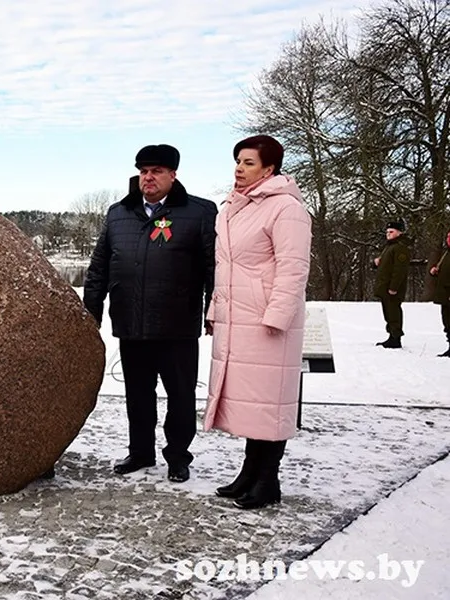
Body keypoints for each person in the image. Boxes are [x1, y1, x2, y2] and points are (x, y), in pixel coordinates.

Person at [83, 144, 216, 483]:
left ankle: (177, 457)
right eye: (143, 171)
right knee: (138, 396)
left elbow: (214, 268)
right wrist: (91, 313)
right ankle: (141, 452)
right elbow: (99, 266)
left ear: (173, 174)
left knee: (181, 397)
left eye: (156, 171)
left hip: (177, 326)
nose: (148, 177)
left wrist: (214, 310)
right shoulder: (118, 214)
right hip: (131, 322)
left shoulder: (199, 213)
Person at [205, 135, 312, 510]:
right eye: (237, 161)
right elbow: (226, 268)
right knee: (253, 405)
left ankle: (268, 480)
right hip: (239, 320)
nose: (239, 168)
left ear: (270, 169)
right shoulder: (232, 208)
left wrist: (278, 315)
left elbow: (293, 268)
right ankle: (249, 473)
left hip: (268, 322)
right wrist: (216, 310)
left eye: (249, 162)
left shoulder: (287, 209)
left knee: (270, 404)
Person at [373, 220, 410, 349]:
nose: (388, 234)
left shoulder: (400, 247)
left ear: (399, 233)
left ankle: (396, 338)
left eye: (391, 232)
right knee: (388, 312)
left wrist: (394, 287)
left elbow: (399, 270)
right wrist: (377, 262)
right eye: (387, 232)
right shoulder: (389, 246)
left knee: (394, 312)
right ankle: (391, 336)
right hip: (385, 288)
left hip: (392, 289)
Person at [428, 227, 450, 357]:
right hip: (444, 294)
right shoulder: (446, 253)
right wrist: (435, 272)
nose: (448, 239)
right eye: (448, 236)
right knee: (447, 321)